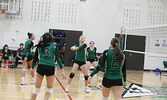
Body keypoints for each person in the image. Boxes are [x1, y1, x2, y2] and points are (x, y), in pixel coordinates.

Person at [31, 33, 66, 100]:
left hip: (41, 66)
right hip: (50, 67)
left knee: (36, 89)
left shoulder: (39, 46)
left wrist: (32, 68)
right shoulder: (54, 46)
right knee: (49, 89)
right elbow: (58, 58)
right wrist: (62, 71)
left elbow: (35, 59)